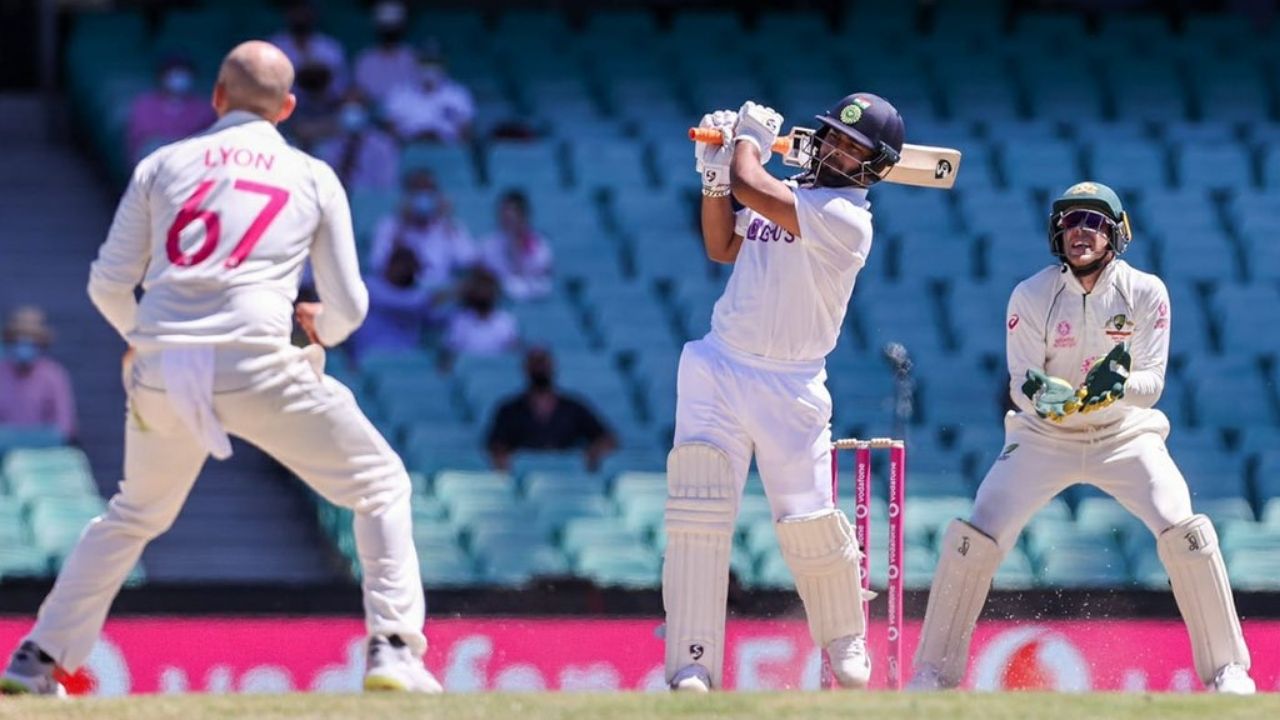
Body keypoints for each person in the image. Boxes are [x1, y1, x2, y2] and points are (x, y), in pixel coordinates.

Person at [0, 41, 440, 696]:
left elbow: (107, 286)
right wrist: (326, 327)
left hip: (162, 369)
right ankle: (395, 650)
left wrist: (145, 337)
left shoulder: (162, 164)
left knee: (132, 514)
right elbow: (350, 305)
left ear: (216, 97)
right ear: (288, 108)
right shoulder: (313, 175)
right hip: (257, 359)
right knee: (379, 486)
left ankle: (37, 657)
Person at [907, 182, 1255, 695]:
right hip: (1046, 435)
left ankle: (1229, 672)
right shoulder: (1031, 294)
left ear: (1115, 234)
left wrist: (1113, 389)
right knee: (973, 535)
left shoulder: (1145, 291)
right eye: (1071, 222)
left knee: (1186, 531)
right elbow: (1021, 380)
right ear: (1057, 232)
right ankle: (932, 676)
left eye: (1094, 222)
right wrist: (1042, 395)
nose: (1081, 232)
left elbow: (1152, 384)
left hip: (1124, 435)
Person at [663, 94, 905, 692]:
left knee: (806, 520)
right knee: (698, 510)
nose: (837, 151)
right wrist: (713, 178)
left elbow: (753, 184)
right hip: (717, 364)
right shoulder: (790, 193)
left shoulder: (848, 218)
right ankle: (692, 661)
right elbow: (722, 245)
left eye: (855, 149)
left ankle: (846, 636)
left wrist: (743, 145)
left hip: (791, 384)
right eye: (833, 138)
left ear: (873, 168)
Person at [486, 347, 617, 472]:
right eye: (535, 363)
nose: (540, 368)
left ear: (553, 367)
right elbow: (495, 444)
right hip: (524, 475)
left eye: (544, 363)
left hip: (567, 476)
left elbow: (607, 438)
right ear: (525, 369)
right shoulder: (509, 410)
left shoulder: (574, 407)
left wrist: (594, 451)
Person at [368, 169, 476, 288]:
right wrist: (402, 227)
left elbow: (468, 261)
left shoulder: (450, 225)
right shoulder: (389, 225)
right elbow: (377, 263)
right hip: (400, 290)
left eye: (429, 191)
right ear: (406, 195)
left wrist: (448, 222)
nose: (423, 196)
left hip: (439, 293)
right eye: (417, 191)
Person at [0, 306, 76, 441]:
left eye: (30, 341)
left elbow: (65, 427)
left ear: (40, 343)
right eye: (19, 340)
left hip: (43, 453)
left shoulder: (54, 375)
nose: (24, 347)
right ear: (10, 341)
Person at [349, 245, 436, 362]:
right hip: (370, 359)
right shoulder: (370, 286)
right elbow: (404, 304)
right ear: (393, 265)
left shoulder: (416, 294)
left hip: (406, 361)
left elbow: (437, 315)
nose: (410, 272)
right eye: (406, 267)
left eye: (413, 268)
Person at [126, 56, 216, 164]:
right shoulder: (146, 104)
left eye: (183, 74)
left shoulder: (203, 108)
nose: (179, 79)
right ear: (163, 77)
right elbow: (140, 138)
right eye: (174, 74)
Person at [382, 49, 475, 143]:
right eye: (425, 63)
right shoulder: (399, 93)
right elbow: (390, 130)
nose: (430, 68)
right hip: (409, 147)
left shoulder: (459, 94)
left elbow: (466, 131)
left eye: (434, 63)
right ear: (416, 65)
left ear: (443, 66)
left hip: (446, 148)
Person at [314, 93, 400, 192]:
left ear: (366, 111)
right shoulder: (331, 144)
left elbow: (386, 183)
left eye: (356, 106)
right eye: (347, 106)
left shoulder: (383, 145)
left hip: (369, 200)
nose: (351, 111)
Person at [478, 190, 553, 301]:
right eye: (502, 213)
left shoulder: (538, 242)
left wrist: (516, 246)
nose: (505, 218)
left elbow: (540, 270)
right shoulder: (487, 244)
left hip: (533, 292)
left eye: (510, 214)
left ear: (523, 216)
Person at [441, 266, 519, 360]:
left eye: (487, 287)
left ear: (495, 292)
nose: (483, 292)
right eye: (480, 287)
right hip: (467, 371)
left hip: (496, 370)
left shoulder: (506, 321)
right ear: (472, 292)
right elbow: (450, 354)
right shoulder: (459, 320)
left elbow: (512, 354)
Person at [354, 1, 420, 103]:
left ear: (402, 28)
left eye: (393, 29)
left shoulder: (413, 58)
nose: (389, 34)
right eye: (386, 28)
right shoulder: (365, 59)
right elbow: (359, 93)